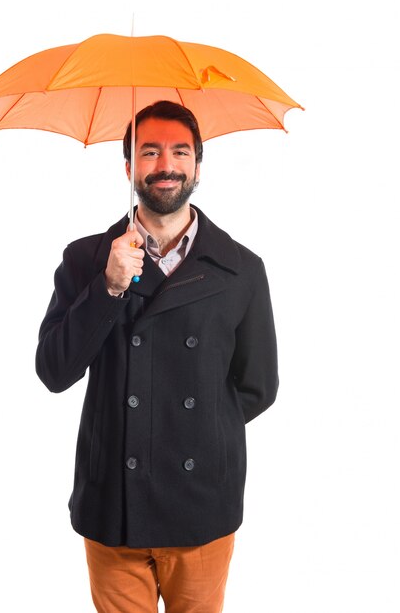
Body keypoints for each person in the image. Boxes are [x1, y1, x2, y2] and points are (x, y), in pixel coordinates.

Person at [36, 101, 278, 613]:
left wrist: (197, 434)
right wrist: (108, 287)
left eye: (179, 151)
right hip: (113, 505)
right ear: (129, 168)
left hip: (202, 505)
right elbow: (54, 371)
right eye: (149, 151)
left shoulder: (241, 269)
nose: (165, 164)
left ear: (197, 165)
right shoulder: (86, 260)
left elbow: (258, 386)